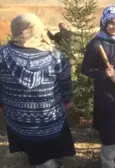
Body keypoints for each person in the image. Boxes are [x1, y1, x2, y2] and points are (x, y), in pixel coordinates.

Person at [0, 13, 75, 168]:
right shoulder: (54, 55)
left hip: (17, 115)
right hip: (49, 115)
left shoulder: (2, 54)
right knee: (44, 147)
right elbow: (65, 82)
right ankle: (47, 164)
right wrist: (67, 99)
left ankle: (41, 161)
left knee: (31, 143)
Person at [81, 5, 115, 168]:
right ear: (104, 22)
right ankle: (107, 163)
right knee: (109, 128)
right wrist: (104, 73)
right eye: (112, 23)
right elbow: (86, 69)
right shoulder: (96, 43)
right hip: (106, 95)